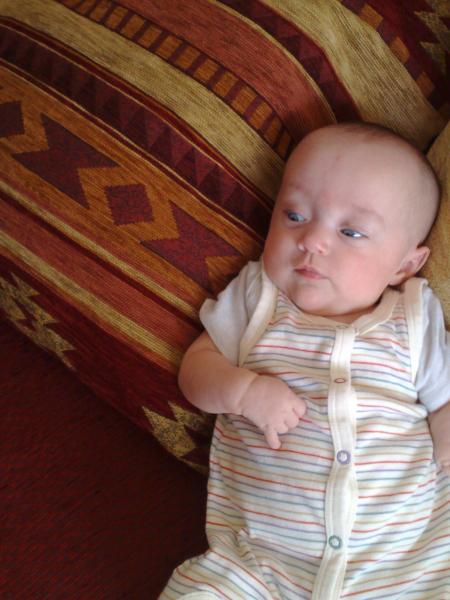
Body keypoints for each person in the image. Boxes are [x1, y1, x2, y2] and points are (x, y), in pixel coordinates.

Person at [160, 123, 450, 600]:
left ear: (404, 265)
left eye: (351, 231)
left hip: (402, 567)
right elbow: (195, 370)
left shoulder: (414, 316)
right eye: (294, 215)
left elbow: (443, 403)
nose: (312, 239)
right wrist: (244, 392)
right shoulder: (259, 297)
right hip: (259, 564)